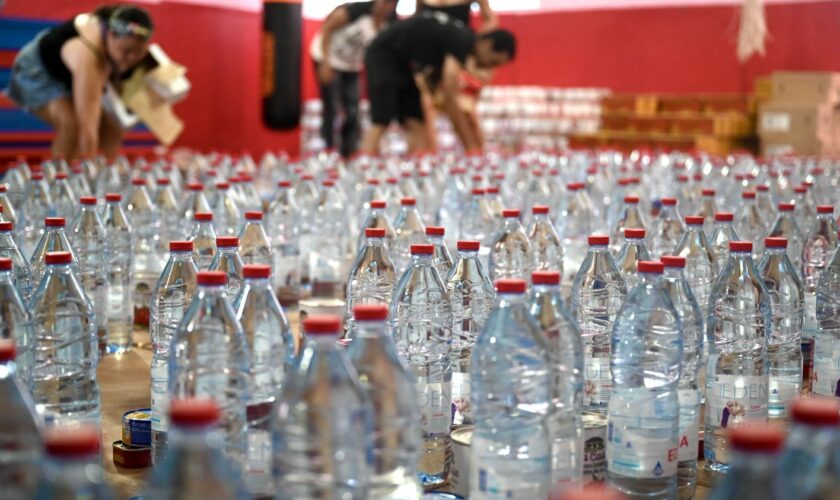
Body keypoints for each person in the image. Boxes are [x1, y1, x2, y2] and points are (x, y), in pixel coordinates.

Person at [5, 5, 153, 160]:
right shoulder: (89, 55)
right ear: (110, 35)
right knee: (71, 125)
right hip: (34, 73)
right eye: (126, 50)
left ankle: (108, 173)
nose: (131, 58)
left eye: (138, 52)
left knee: (113, 129)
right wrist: (89, 171)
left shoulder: (122, 49)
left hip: (67, 75)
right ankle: (62, 179)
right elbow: (87, 125)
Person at [361, 12, 515, 155]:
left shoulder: (460, 38)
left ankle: (416, 171)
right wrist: (470, 147)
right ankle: (365, 168)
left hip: (404, 64)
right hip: (383, 55)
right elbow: (450, 98)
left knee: (415, 120)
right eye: (492, 61)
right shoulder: (462, 42)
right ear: (487, 44)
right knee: (381, 119)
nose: (488, 67)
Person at [310, 0, 398, 158]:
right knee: (331, 106)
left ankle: (348, 153)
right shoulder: (358, 10)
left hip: (351, 65)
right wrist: (325, 62)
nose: (384, 5)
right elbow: (327, 27)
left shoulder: (390, 23)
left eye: (390, 3)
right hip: (328, 58)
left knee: (352, 110)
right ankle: (328, 150)